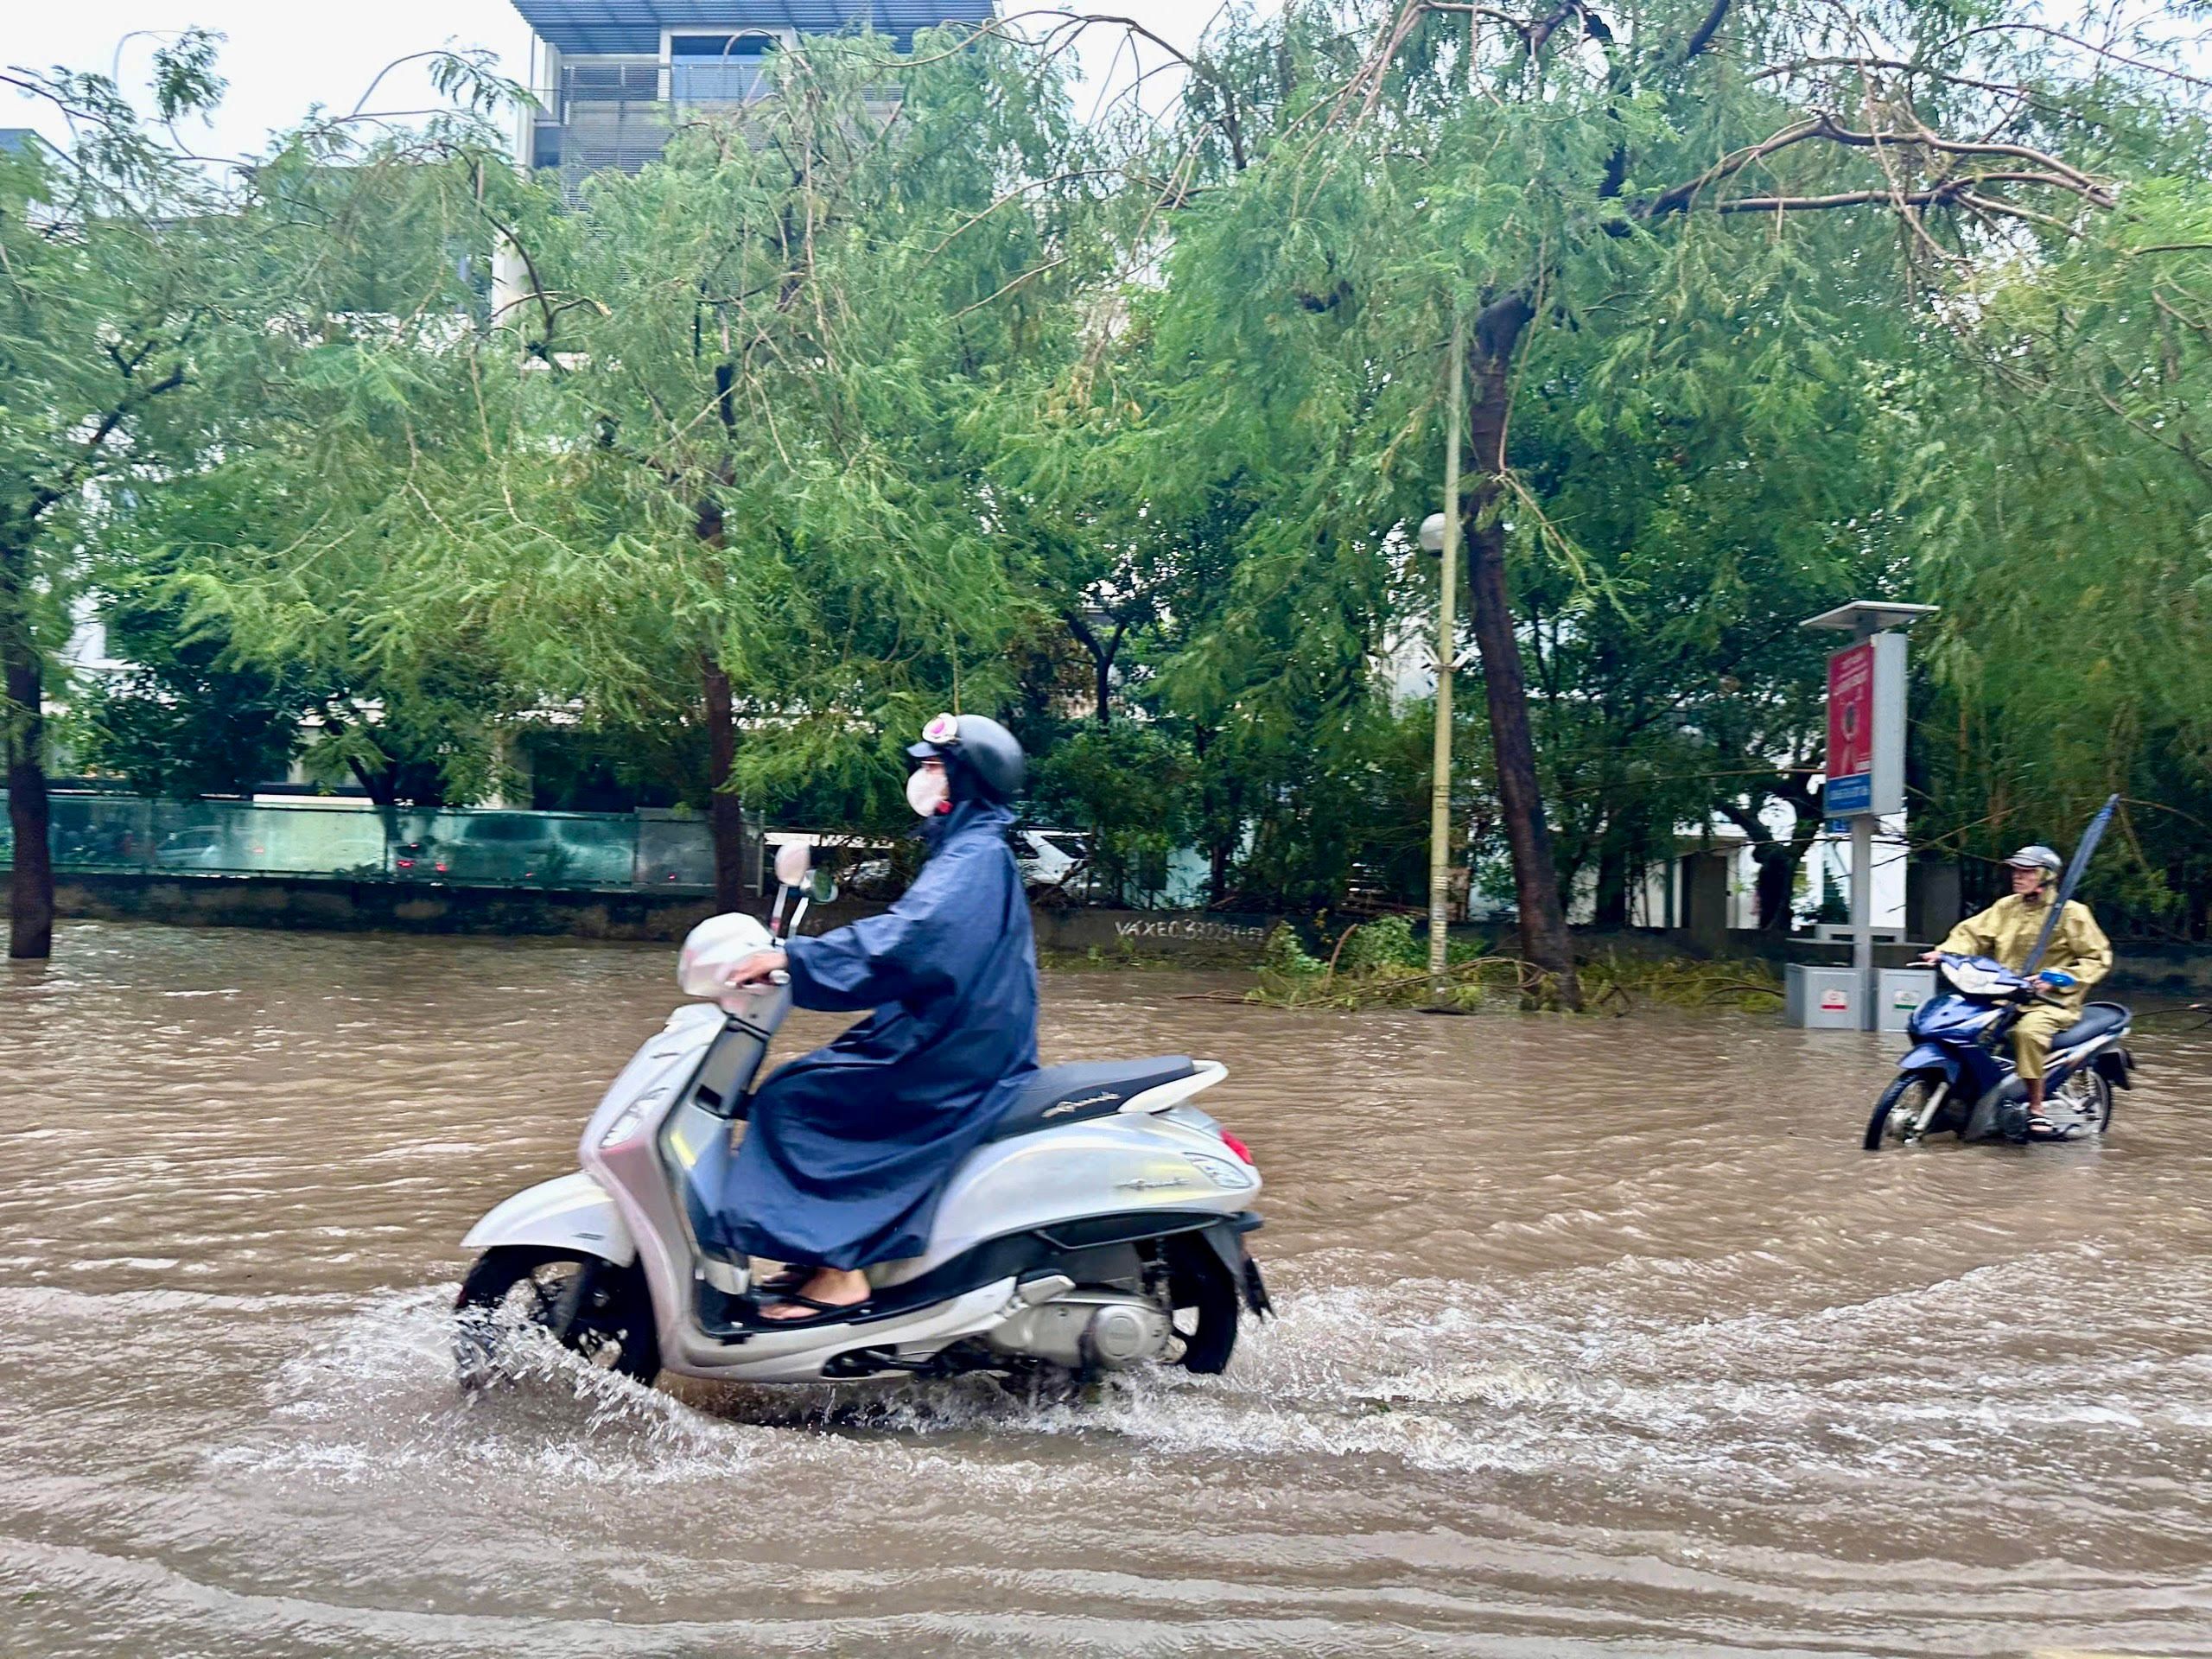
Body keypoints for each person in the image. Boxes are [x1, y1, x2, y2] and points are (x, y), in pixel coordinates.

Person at [715, 714, 1039, 1322]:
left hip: (957, 1045)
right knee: (793, 1086)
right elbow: (907, 941)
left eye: (934, 767)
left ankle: (841, 1278)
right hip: (945, 1026)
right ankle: (821, 1250)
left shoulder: (974, 857)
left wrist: (793, 959)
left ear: (966, 781)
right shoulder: (967, 849)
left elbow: (908, 943)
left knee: (796, 1101)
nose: (921, 778)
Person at [1918, 844, 2113, 1132]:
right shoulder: (2005, 907)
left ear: (2046, 877)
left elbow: (2097, 958)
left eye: (2027, 872)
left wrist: (2057, 978)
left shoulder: (2072, 914)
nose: (2018, 877)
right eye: (2016, 871)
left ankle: (2036, 1108)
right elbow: (1971, 934)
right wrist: (1944, 953)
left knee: (2027, 1033)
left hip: (2050, 1002)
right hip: (2003, 995)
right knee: (1958, 1028)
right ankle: (1959, 1099)